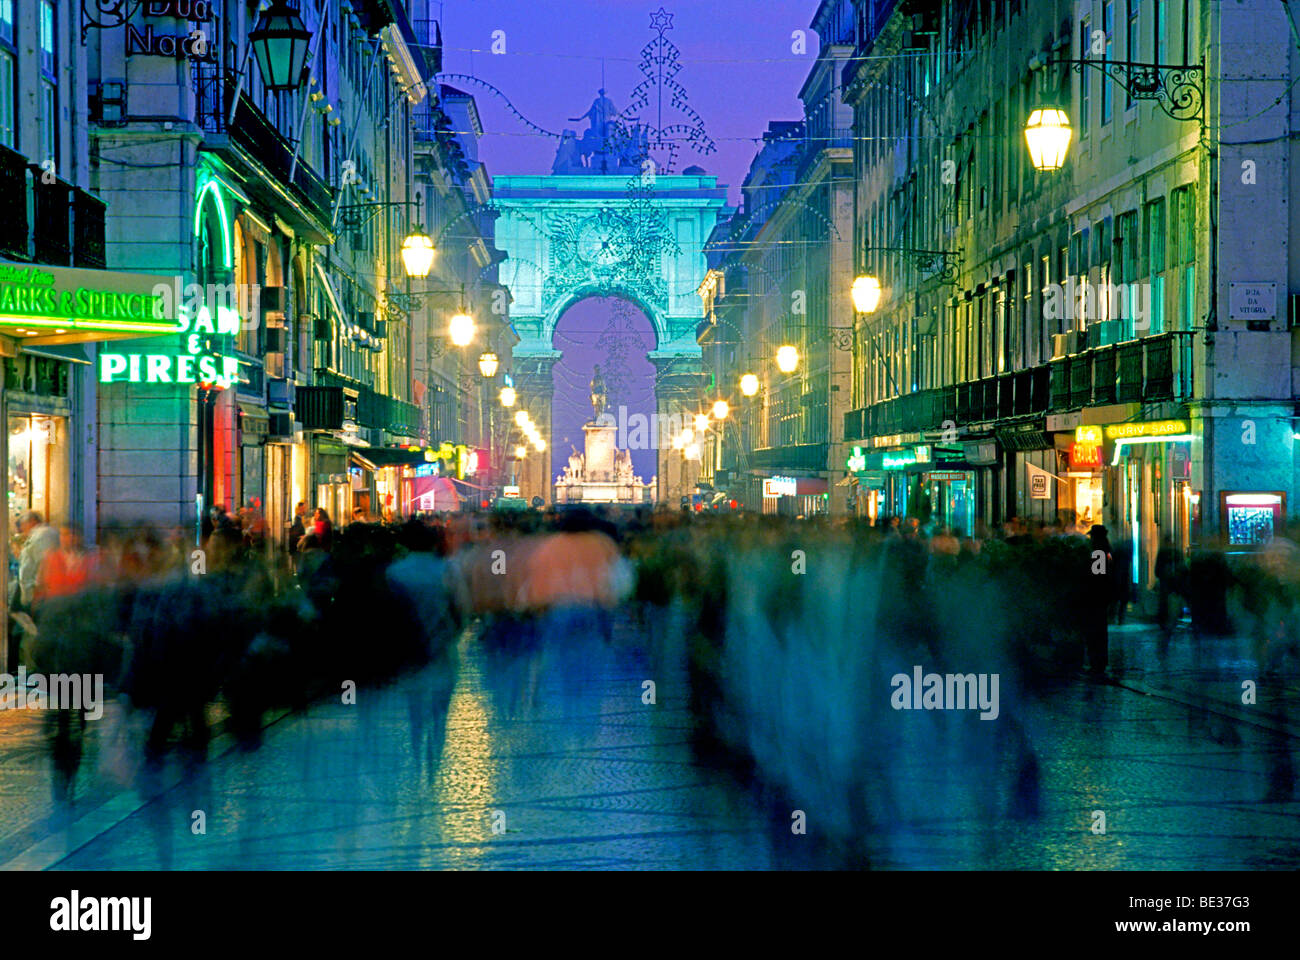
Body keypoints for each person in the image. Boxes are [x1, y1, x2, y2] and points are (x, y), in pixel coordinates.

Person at [1084, 525, 1114, 679]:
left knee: (1095, 632)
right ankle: (1099, 662)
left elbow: (1097, 576)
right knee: (1100, 631)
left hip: (1096, 598)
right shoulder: (1105, 550)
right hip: (1101, 597)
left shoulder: (1098, 552)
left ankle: (1097, 663)